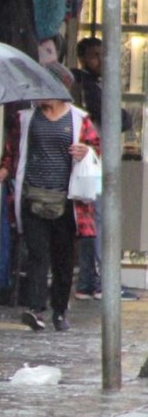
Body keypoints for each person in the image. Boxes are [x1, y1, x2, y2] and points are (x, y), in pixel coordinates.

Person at [0, 98, 100, 332]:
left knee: (63, 258)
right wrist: (2, 171)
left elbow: (97, 150)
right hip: (33, 197)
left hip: (67, 201)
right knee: (37, 254)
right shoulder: (26, 118)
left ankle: (60, 311)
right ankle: (36, 309)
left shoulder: (79, 119)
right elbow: (13, 151)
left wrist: (87, 150)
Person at [70, 37, 135, 301]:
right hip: (92, 163)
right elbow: (116, 116)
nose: (100, 61)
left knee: (92, 223)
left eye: (102, 55)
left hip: (91, 162)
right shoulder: (85, 85)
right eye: (94, 56)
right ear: (83, 58)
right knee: (98, 221)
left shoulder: (91, 85)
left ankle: (88, 281)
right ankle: (100, 281)